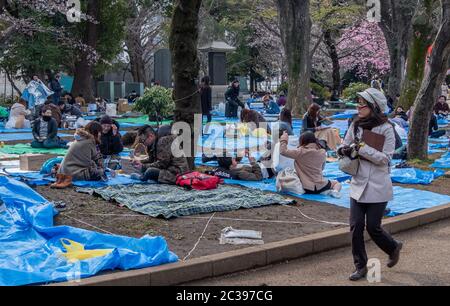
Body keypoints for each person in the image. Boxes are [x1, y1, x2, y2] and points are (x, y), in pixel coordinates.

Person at [338, 87, 403, 282]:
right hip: (357, 183)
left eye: (362, 103)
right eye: (357, 102)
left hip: (378, 185)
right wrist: (344, 150)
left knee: (373, 226)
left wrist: (363, 149)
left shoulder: (387, 128)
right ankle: (360, 266)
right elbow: (344, 143)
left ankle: (393, 247)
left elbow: (385, 159)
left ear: (373, 106)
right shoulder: (356, 124)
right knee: (356, 226)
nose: (358, 107)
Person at [280, 131, 342, 197]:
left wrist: (284, 139)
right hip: (321, 186)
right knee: (337, 183)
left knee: (283, 175)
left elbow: (283, 151)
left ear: (302, 141)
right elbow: (322, 168)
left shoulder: (300, 152)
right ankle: (335, 191)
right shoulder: (322, 152)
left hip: (305, 187)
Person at [51, 121, 106, 188]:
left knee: (99, 170)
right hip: (73, 172)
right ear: (95, 132)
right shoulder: (89, 142)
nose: (100, 134)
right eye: (99, 132)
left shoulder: (82, 138)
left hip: (65, 170)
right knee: (99, 173)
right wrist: (100, 168)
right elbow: (88, 162)